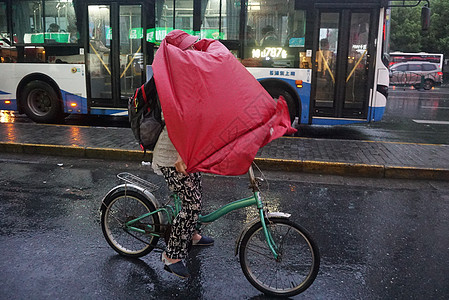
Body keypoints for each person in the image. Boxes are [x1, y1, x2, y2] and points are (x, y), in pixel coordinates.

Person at [152, 30, 214, 279]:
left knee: (197, 190)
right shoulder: (169, 81)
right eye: (185, 50)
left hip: (188, 152)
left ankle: (193, 235)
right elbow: (176, 122)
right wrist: (180, 156)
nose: (190, 53)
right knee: (191, 204)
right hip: (172, 155)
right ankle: (172, 255)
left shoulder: (185, 75)